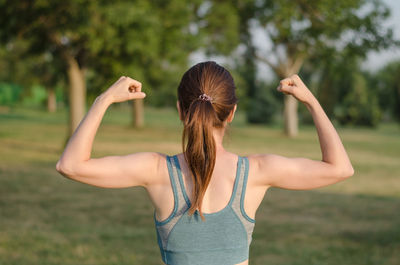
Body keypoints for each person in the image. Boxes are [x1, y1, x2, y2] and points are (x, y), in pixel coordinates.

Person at [56, 61, 354, 265]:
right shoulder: (257, 172)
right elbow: (340, 168)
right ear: (232, 112)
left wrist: (103, 100)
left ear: (180, 110)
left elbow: (70, 165)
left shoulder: (157, 170)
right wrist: (312, 102)